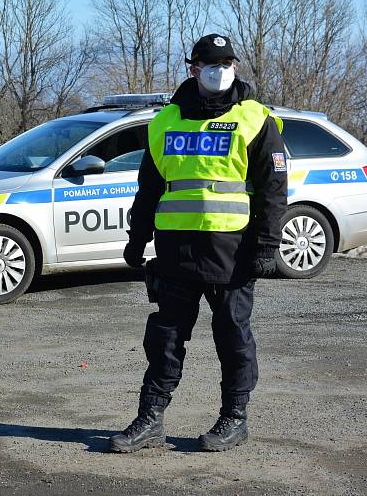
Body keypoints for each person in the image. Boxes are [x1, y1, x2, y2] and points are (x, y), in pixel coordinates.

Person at [109, 34, 287, 453]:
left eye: (227, 62)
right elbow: (149, 187)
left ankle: (234, 419)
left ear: (236, 67)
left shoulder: (255, 118)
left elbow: (273, 190)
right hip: (176, 250)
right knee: (165, 338)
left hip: (233, 250)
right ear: (193, 68)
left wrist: (266, 245)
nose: (220, 70)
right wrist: (138, 239)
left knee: (233, 337)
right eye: (211, 63)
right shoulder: (165, 121)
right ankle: (150, 419)